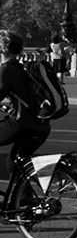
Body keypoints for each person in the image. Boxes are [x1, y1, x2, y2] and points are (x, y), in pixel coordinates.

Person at [1, 35, 55, 172]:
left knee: (15, 164)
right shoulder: (23, 68)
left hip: (22, 124)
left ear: (2, 49)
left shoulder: (6, 70)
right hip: (41, 126)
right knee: (14, 165)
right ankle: (24, 193)